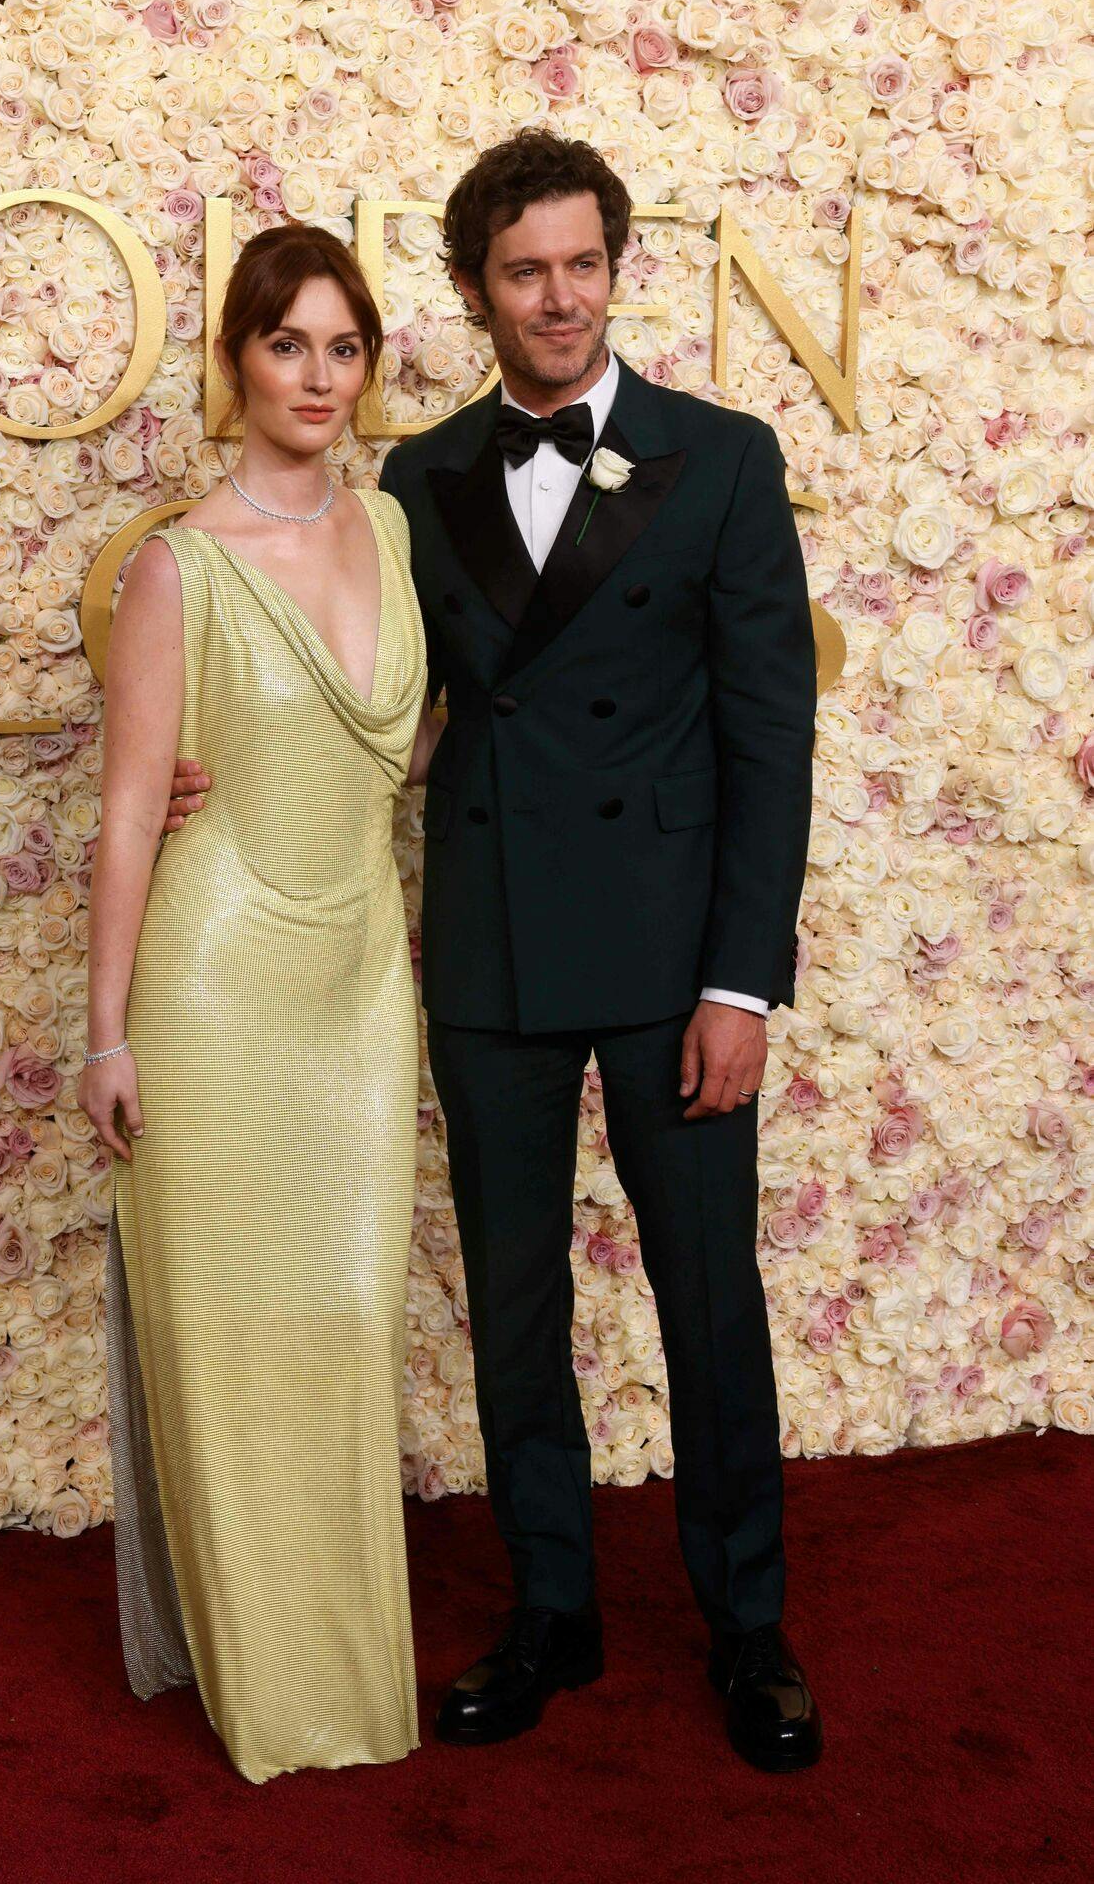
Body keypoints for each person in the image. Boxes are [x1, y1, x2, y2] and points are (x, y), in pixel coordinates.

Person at [164, 129, 823, 1774]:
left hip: (679, 967)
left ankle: (751, 1631)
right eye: (524, 269)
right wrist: (204, 763)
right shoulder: (417, 485)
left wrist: (744, 982)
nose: (559, 295)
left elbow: (771, 739)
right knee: (516, 1309)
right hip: (493, 947)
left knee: (708, 1298)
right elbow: (361, 689)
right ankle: (553, 1613)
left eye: (583, 262)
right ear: (474, 290)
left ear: (617, 267)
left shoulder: (724, 458)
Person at [81, 221, 439, 1784]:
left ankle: (348, 1673)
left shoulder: (396, 532)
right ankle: (262, 1690)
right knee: (230, 1334)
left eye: (342, 345)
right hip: (216, 987)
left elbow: (394, 743)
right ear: (235, 365)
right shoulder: (179, 563)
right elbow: (126, 806)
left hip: (359, 982)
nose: (317, 374)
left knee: (345, 1322)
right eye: (286, 343)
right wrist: (104, 1029)